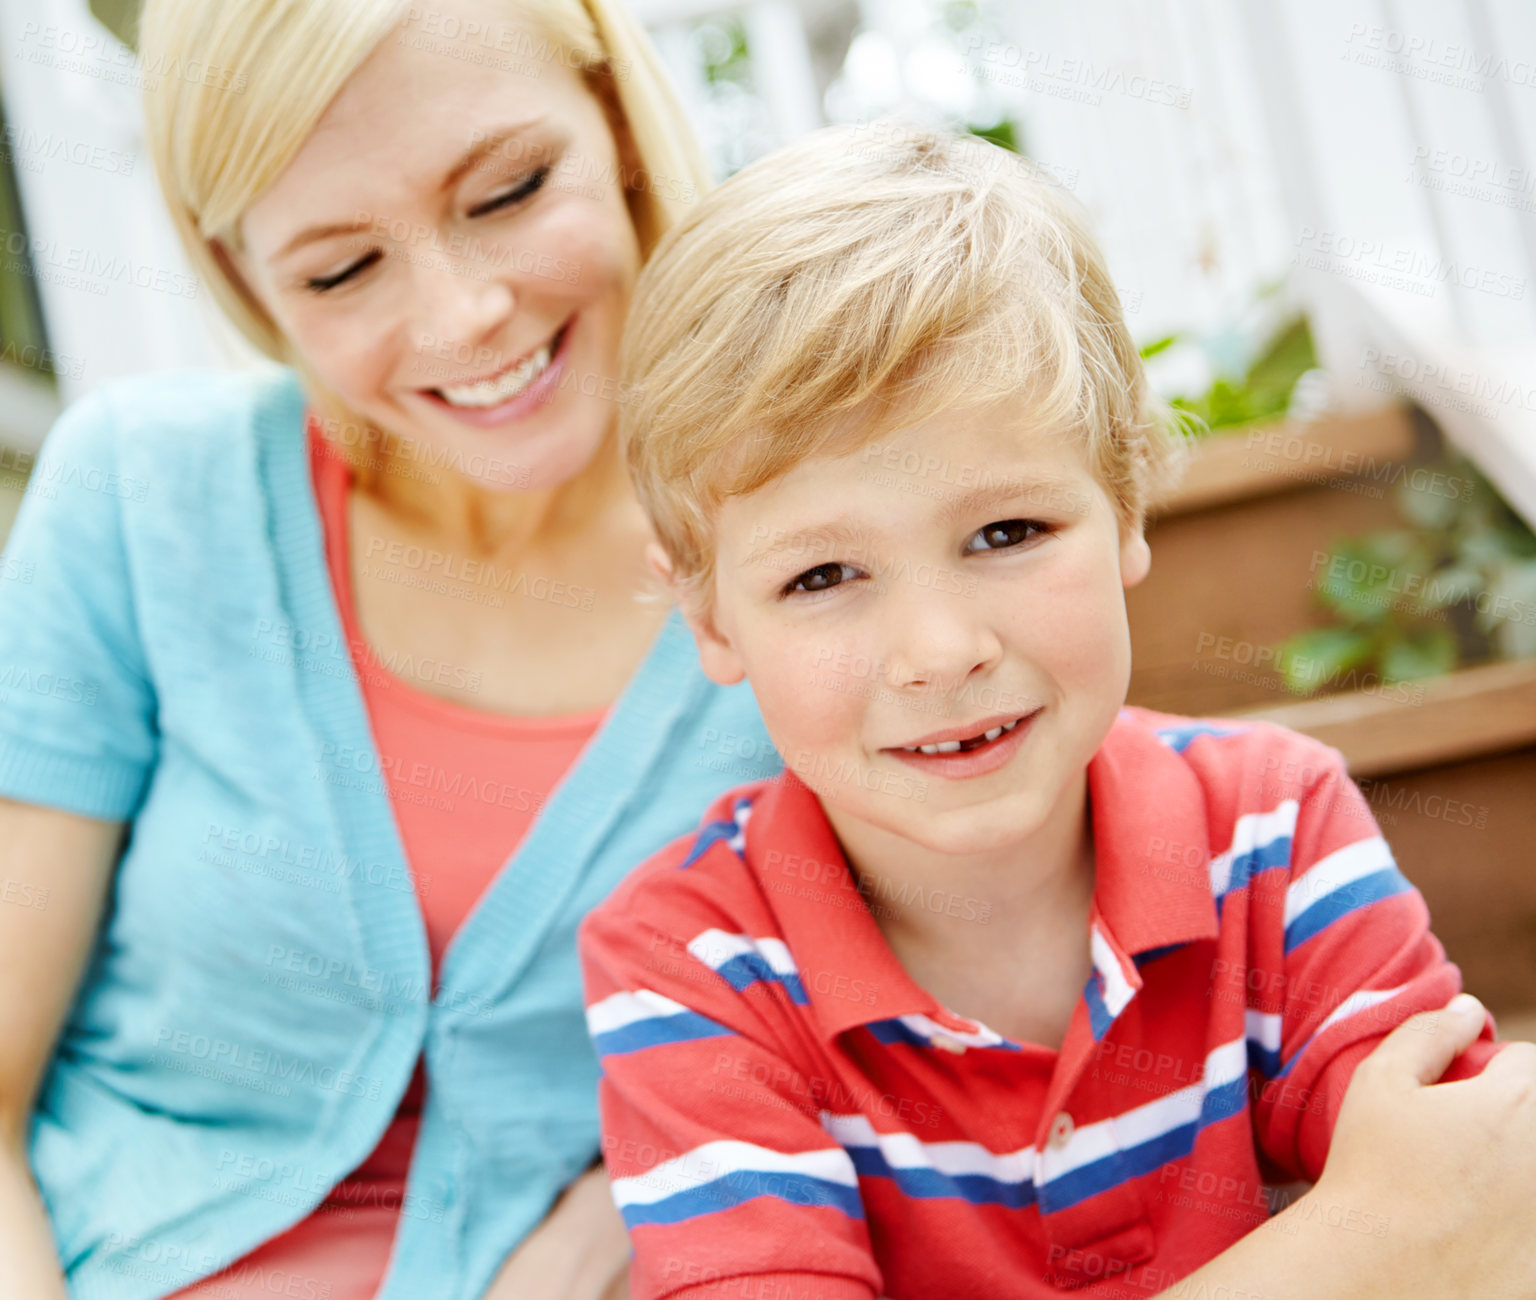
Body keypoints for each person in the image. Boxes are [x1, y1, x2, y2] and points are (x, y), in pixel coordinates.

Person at [578, 122, 1536, 1298]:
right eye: (822, 576)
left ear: (1127, 504)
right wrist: (1362, 1239)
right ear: (713, 621)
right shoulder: (690, 958)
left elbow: (1486, 1208)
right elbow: (1415, 1226)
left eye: (1006, 533)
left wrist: (1419, 1222)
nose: (939, 652)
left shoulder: (1274, 832)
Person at [0, 1, 780, 1297]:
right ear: (245, 279)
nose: (465, 315)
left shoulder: (813, 544)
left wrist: (615, 1217)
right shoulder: (143, 503)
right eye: (339, 270)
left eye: (510, 190)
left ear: (619, 124)